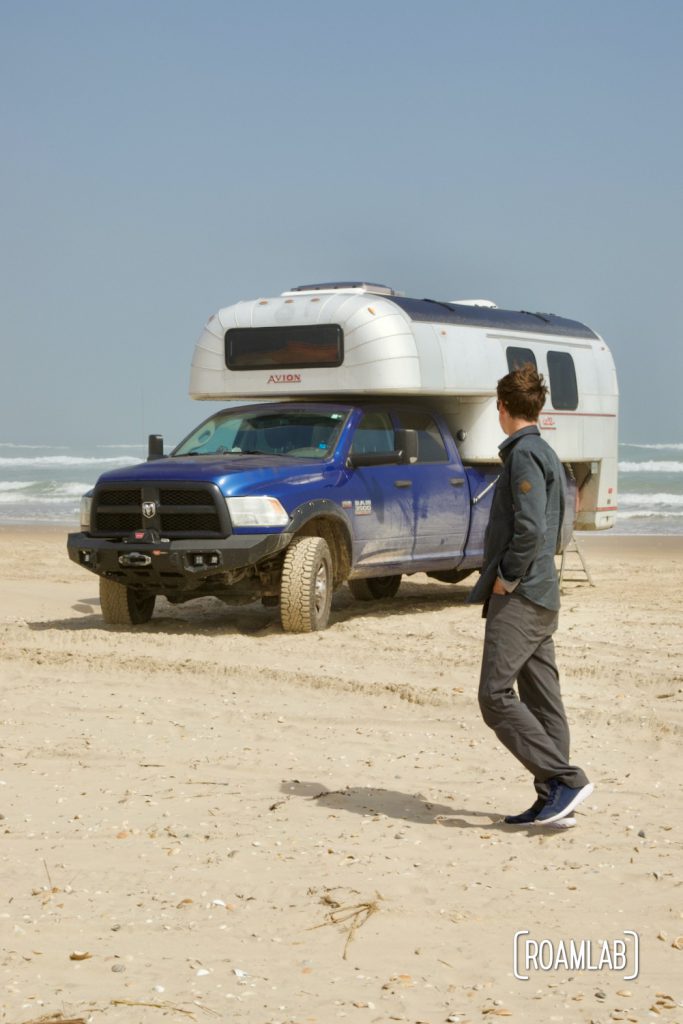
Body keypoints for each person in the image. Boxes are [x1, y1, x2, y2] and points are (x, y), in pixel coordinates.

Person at [469, 364, 593, 826]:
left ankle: (565, 781)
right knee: (542, 701)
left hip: (522, 596)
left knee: (495, 697)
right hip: (544, 594)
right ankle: (555, 800)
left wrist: (507, 576)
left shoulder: (524, 455)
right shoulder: (544, 451)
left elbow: (530, 528)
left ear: (502, 408)